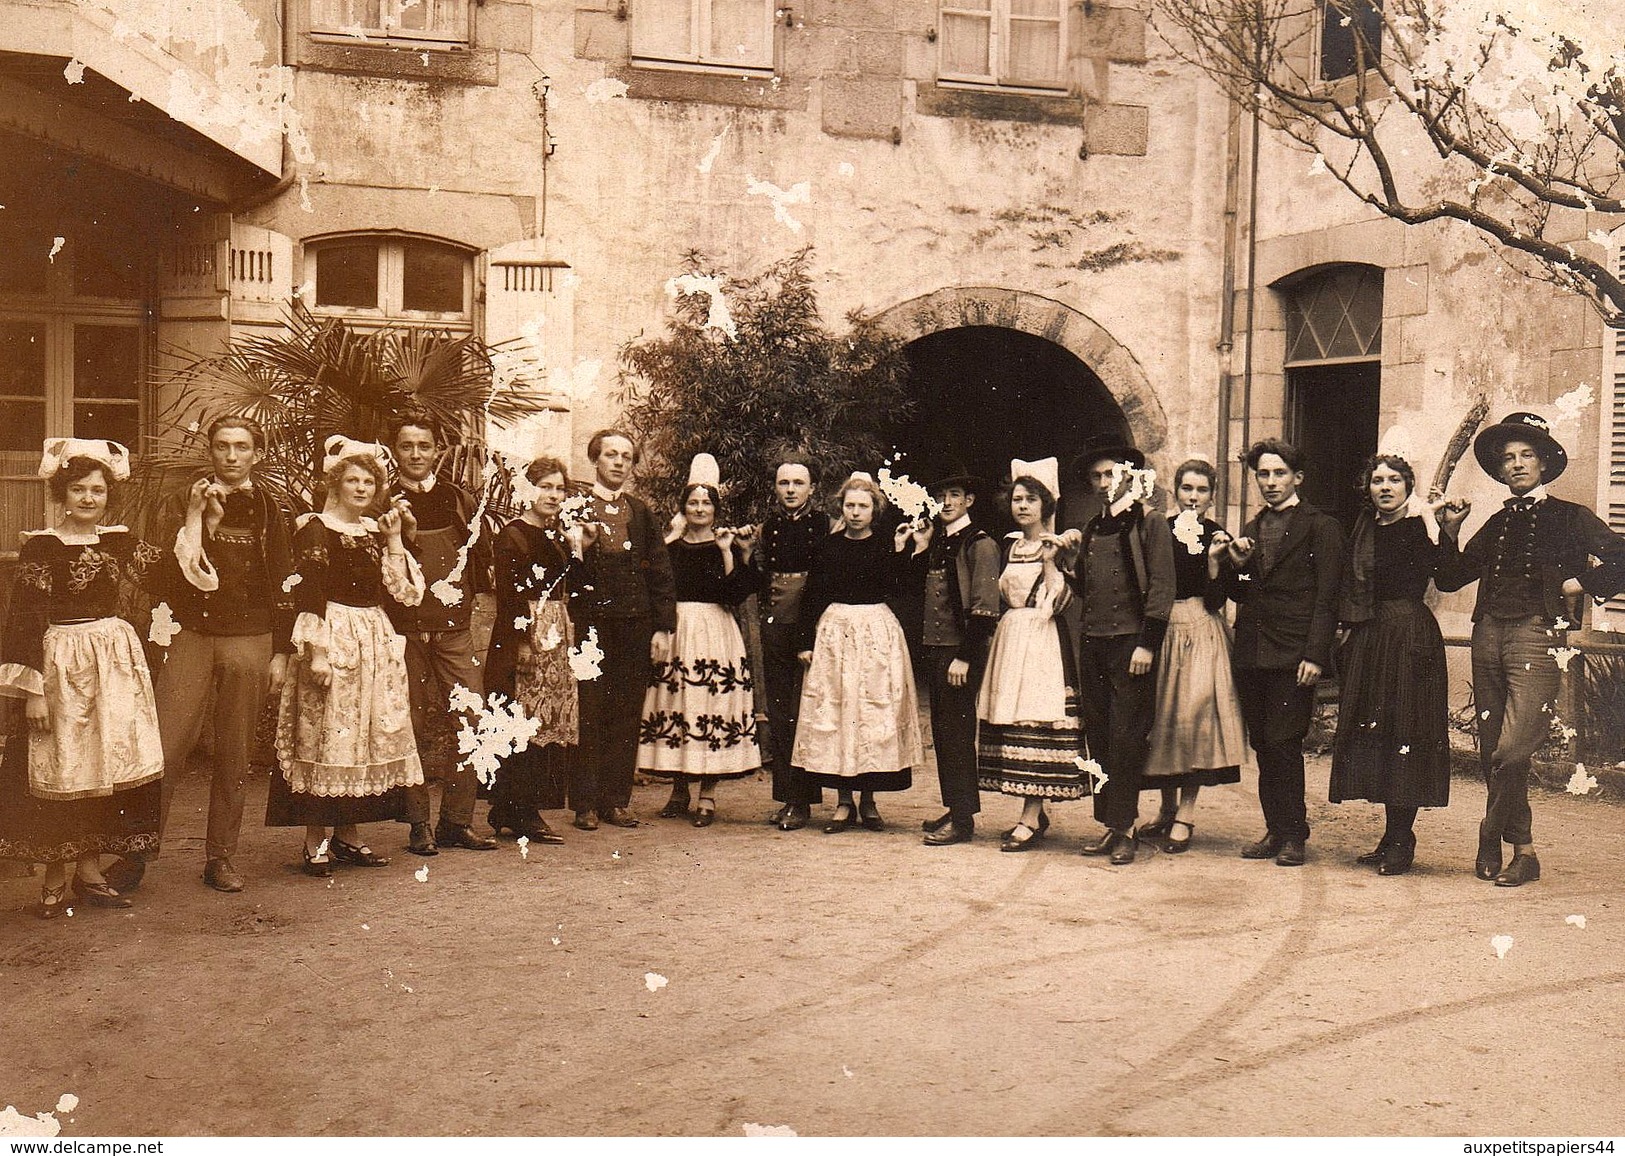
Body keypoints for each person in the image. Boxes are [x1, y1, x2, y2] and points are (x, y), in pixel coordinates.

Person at [106, 415, 296, 895]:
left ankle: (221, 858)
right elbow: (165, 574)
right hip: (191, 634)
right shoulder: (180, 501)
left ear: (257, 453)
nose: (231, 456)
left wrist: (280, 651)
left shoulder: (272, 509)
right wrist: (196, 519)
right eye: (222, 447)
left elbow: (285, 584)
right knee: (165, 749)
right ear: (209, 451)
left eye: (241, 447)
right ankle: (135, 855)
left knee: (234, 753)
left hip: (250, 639)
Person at [1433, 412, 1625, 886]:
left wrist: (1578, 582)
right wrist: (1451, 529)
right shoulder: (1497, 521)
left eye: (1526, 455)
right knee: (1491, 745)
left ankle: (1488, 831)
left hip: (1539, 636)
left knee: (1513, 748)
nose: (1516, 465)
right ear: (1500, 471)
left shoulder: (1570, 515)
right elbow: (1451, 576)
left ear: (1543, 463)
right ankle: (1524, 851)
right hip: (1488, 635)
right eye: (1507, 459)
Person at [0, 440, 164, 917]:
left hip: (113, 663)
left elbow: (169, 578)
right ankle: (55, 877)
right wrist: (33, 692)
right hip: (61, 665)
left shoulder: (119, 541)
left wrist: (200, 520)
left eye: (97, 489)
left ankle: (89, 873)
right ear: (62, 493)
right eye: (78, 489)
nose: (89, 499)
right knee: (63, 766)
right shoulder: (42, 546)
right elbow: (25, 618)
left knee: (102, 769)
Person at [266, 437, 425, 876]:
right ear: (335, 484)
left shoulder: (375, 531)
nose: (361, 488)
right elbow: (310, 591)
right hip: (333, 636)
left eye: (368, 482)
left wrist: (394, 539)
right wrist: (317, 653)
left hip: (372, 637)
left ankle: (349, 836)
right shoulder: (315, 527)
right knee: (329, 735)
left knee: (361, 739)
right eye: (352, 480)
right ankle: (315, 840)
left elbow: (403, 593)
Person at [1330, 451, 1454, 876]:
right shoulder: (1363, 529)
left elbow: (1450, 577)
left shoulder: (1421, 526)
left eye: (1394, 480)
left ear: (1408, 487)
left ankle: (1403, 838)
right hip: (1370, 635)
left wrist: (1446, 530)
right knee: (1379, 732)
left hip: (1408, 636)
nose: (1385, 487)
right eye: (1377, 480)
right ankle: (1390, 835)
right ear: (1368, 488)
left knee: (1407, 730)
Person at [1223, 438, 1345, 868]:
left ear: (1297, 478)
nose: (1270, 482)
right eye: (1263, 474)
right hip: (1253, 653)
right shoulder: (1252, 528)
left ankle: (1295, 833)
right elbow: (1240, 595)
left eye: (1278, 474)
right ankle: (1275, 829)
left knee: (1284, 741)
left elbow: (1328, 596)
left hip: (1294, 655)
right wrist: (1236, 567)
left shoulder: (1320, 526)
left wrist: (1315, 655)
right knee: (1262, 743)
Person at [1061, 437, 1176, 865]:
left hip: (1132, 646)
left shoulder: (1151, 523)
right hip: (1093, 643)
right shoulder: (1093, 527)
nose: (1105, 482)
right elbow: (1087, 590)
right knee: (1101, 734)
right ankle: (1111, 825)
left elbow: (1162, 589)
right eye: (1097, 477)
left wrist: (1147, 644)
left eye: (1111, 473)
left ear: (1129, 475)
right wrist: (1067, 566)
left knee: (1127, 736)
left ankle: (1126, 828)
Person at [387, 414, 497, 856]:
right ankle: (419, 825)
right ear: (396, 451)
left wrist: (477, 619)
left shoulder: (458, 499)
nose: (415, 454)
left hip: (453, 630)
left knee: (472, 719)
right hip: (402, 631)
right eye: (407, 446)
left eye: (424, 446)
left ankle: (457, 821)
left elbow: (480, 564)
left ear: (437, 451)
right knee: (408, 724)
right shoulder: (383, 502)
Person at [794, 472, 922, 833]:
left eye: (862, 506)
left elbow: (902, 586)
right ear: (841, 508)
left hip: (876, 634)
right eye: (849, 505)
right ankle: (843, 802)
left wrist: (901, 551)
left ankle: (869, 801)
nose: (855, 512)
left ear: (874, 510)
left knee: (870, 715)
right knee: (839, 714)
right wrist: (805, 642)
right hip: (836, 634)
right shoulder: (827, 547)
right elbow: (812, 595)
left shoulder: (886, 544)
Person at [640, 463, 762, 826]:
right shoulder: (671, 547)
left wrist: (729, 552)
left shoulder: (723, 545)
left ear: (715, 509)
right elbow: (649, 578)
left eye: (705, 504)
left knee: (711, 706)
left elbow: (735, 593)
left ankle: (707, 793)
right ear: (683, 508)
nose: (699, 509)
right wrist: (668, 536)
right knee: (680, 706)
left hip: (715, 632)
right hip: (678, 631)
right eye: (692, 503)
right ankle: (679, 790)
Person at [974, 458, 1088, 850]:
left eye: (1031, 499)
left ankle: (1028, 815)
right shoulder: (1007, 545)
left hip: (1041, 641)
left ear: (1046, 505)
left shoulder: (1056, 546)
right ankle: (1034, 813)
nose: (1022, 506)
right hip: (1011, 638)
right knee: (1012, 719)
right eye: (1017, 499)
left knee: (1035, 719)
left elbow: (1058, 603)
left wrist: (1052, 559)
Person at [569, 429, 677, 831]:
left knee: (626, 710)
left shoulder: (641, 511)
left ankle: (615, 800)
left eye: (626, 457)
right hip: (591, 626)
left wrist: (662, 628)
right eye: (610, 454)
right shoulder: (575, 507)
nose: (618, 462)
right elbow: (565, 567)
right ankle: (584, 804)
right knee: (590, 709)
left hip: (635, 625)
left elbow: (661, 572)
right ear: (595, 460)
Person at [1139, 458, 1247, 854]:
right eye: (1187, 488)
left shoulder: (1218, 535)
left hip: (1202, 629)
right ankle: (1166, 809)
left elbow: (1223, 599)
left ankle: (1185, 812)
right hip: (1164, 628)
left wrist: (1216, 563)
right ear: (1176, 490)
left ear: (1212, 496)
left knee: (1194, 719)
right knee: (1163, 719)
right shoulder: (1160, 531)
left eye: (1202, 490)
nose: (1194, 497)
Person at [483, 456, 586, 847]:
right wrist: (524, 641)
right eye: (545, 487)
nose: (553, 495)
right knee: (522, 722)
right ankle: (518, 809)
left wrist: (577, 550)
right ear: (528, 490)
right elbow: (509, 596)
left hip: (555, 635)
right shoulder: (512, 535)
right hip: (522, 638)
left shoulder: (559, 536)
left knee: (546, 725)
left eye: (560, 489)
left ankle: (515, 809)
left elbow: (573, 587)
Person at [904, 466, 1002, 847]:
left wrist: (965, 657)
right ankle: (954, 807)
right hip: (936, 650)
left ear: (969, 501)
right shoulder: (940, 540)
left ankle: (963, 820)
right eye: (941, 496)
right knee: (944, 733)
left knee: (958, 734)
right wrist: (921, 546)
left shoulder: (980, 544)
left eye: (954, 495)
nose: (946, 502)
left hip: (960, 653)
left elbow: (984, 607)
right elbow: (913, 590)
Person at [756, 456, 827, 831]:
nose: (790, 490)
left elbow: (821, 585)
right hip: (775, 625)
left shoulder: (823, 526)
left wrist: (808, 635)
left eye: (798, 483)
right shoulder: (769, 527)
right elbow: (762, 574)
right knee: (781, 713)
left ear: (812, 488)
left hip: (809, 627)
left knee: (806, 713)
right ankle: (787, 798)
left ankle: (803, 802)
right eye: (784, 483)